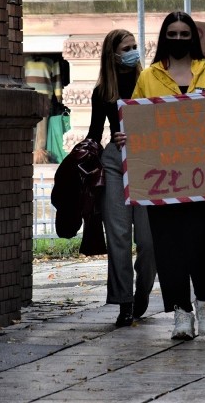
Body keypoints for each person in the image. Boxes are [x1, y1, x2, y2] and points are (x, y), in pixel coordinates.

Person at [132, 11, 205, 340]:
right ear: (164, 36)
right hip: (161, 177)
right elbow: (138, 120)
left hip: (204, 175)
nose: (179, 38)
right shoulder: (149, 77)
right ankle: (181, 313)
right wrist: (126, 137)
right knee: (167, 244)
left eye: (186, 33)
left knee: (201, 240)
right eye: (173, 33)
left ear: (193, 37)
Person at [85, 29, 156, 327]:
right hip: (115, 161)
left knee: (149, 239)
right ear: (112, 54)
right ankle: (123, 303)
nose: (133, 51)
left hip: (147, 160)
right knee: (117, 237)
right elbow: (93, 135)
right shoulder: (103, 92)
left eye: (135, 46)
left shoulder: (150, 82)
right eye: (127, 47)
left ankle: (143, 292)